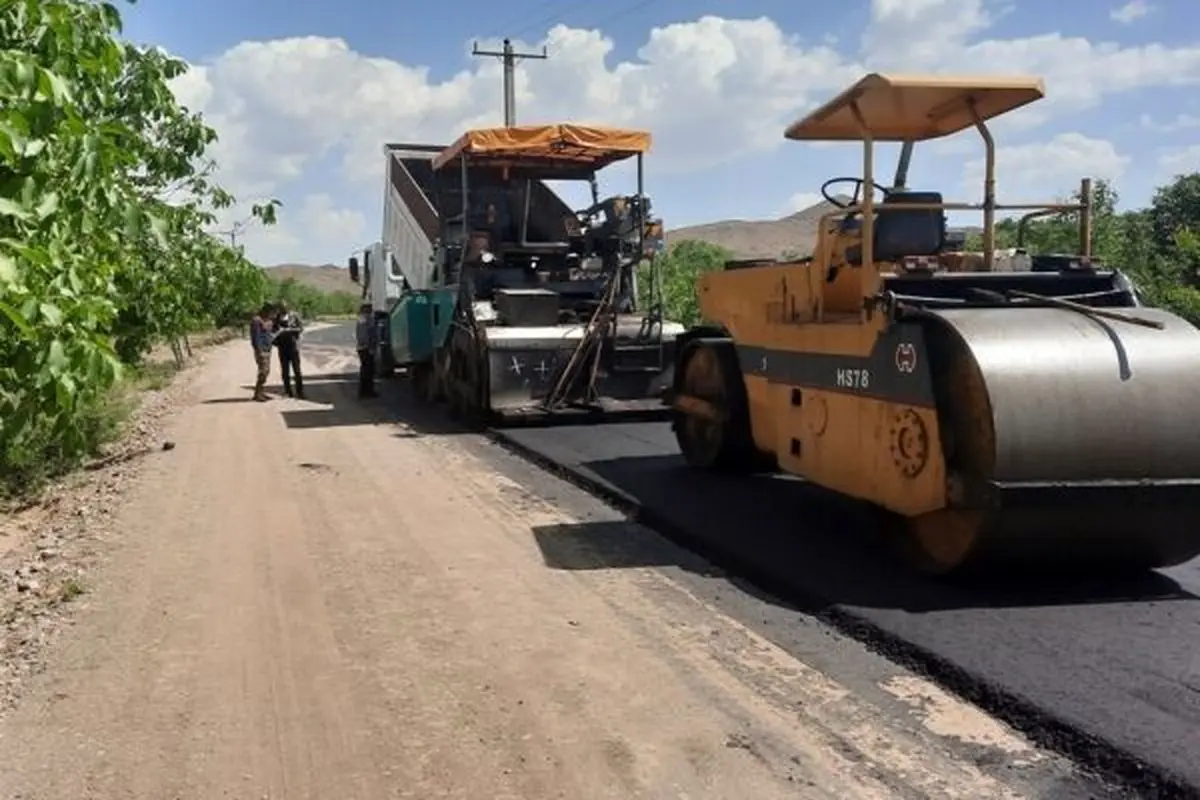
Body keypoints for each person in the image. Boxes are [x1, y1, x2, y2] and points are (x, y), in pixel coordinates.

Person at [272, 300, 305, 399]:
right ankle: (288, 391)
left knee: (297, 370)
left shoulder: (294, 316)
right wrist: (278, 332)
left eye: (284, 307)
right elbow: (273, 330)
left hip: (293, 346)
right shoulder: (277, 318)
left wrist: (289, 330)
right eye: (281, 308)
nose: (283, 309)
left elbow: (301, 328)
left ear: (288, 307)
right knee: (285, 371)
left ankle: (299, 391)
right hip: (282, 347)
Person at [250, 303, 275, 401]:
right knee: (263, 371)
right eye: (271, 312)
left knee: (266, 371)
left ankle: (261, 392)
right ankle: (257, 393)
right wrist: (259, 350)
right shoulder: (256, 321)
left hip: (267, 349)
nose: (271, 315)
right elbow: (255, 338)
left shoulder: (267, 320)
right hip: (261, 350)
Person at [355, 302, 379, 398]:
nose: (371, 310)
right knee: (367, 371)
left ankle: (368, 391)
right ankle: (365, 392)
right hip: (365, 348)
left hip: (365, 347)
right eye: (369, 308)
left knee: (369, 370)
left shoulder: (365, 318)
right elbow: (363, 334)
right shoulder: (364, 318)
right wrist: (369, 346)